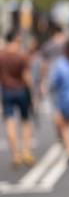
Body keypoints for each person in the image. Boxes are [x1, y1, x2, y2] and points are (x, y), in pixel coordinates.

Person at [0, 29, 35, 167]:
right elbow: (27, 77)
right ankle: (26, 151)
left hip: (6, 91)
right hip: (21, 91)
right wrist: (31, 93)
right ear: (15, 39)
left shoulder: (1, 55)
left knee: (9, 121)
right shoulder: (22, 56)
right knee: (25, 121)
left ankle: (15, 154)